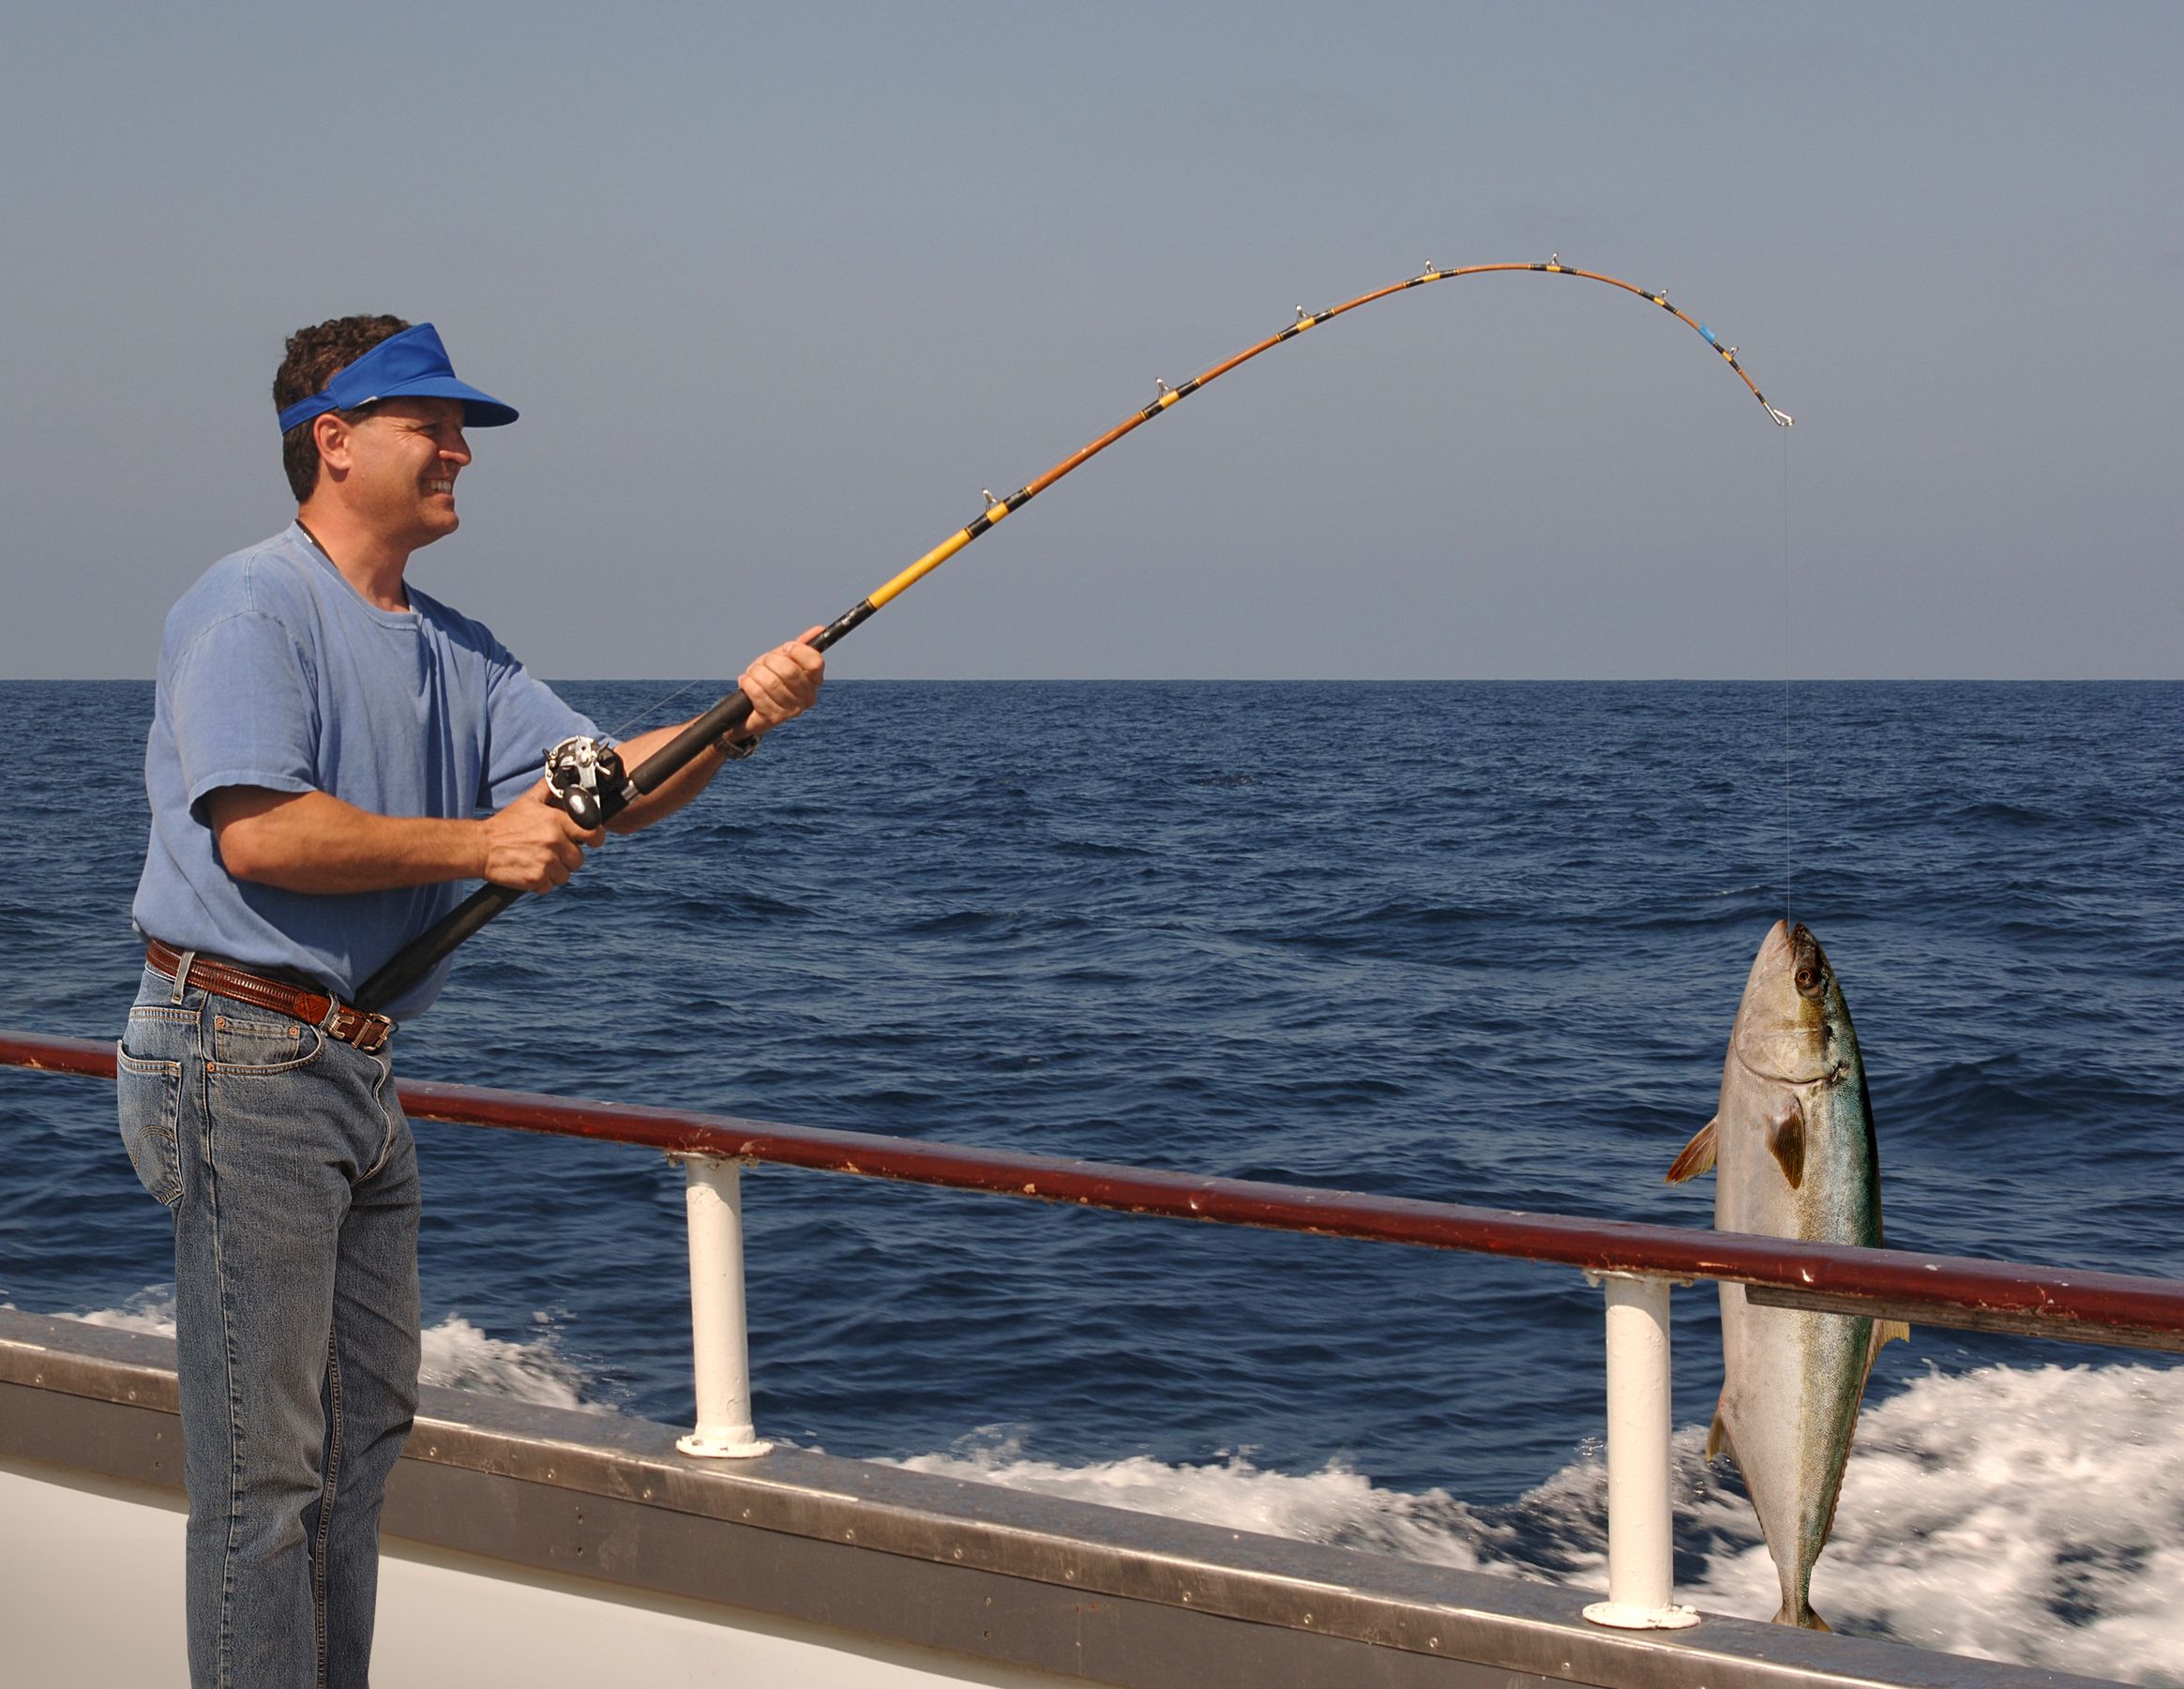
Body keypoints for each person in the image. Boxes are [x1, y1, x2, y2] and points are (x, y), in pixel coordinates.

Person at [118, 313, 824, 1686]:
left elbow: (600, 786)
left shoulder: (459, 646)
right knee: (266, 1480)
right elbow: (259, 834)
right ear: (332, 441)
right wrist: (476, 843)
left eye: (460, 431)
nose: (458, 451)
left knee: (359, 1441)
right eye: (428, 424)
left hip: (357, 1071)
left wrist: (738, 719)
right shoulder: (249, 604)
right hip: (239, 1053)